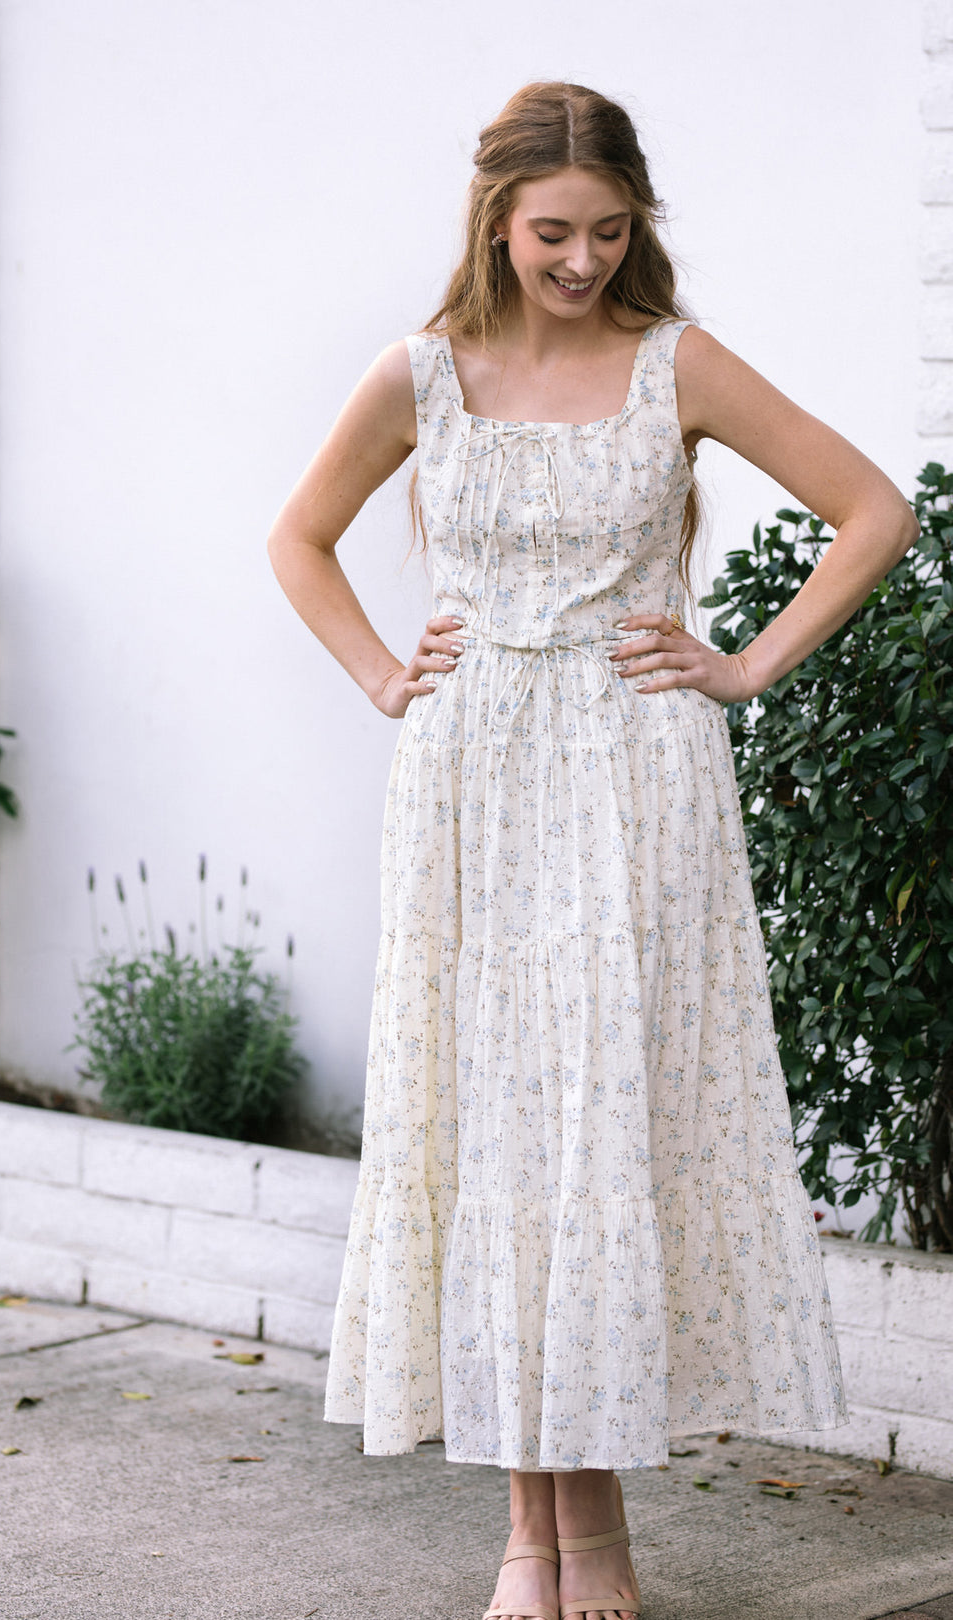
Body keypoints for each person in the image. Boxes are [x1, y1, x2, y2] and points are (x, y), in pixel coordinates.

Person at [267, 81, 918, 1620]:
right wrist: (383, 677)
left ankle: (604, 1539)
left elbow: (873, 510)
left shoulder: (672, 362)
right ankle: (528, 1540)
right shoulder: (421, 373)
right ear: (494, 219)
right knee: (497, 1138)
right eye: (554, 232)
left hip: (638, 779)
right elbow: (296, 536)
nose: (580, 260)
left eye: (610, 231)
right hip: (472, 781)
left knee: (600, 1134)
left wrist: (745, 666)